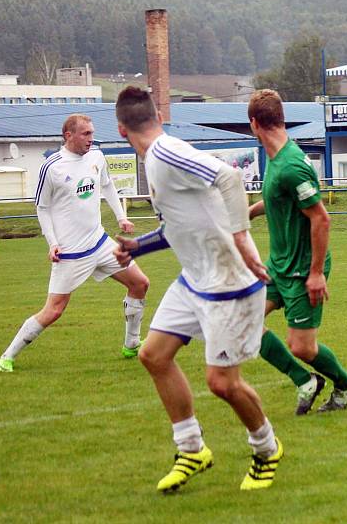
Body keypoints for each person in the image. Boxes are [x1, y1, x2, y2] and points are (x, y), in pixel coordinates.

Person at [113, 87, 282, 492]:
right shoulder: (160, 158)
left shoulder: (164, 152)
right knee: (153, 356)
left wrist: (241, 237)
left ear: (121, 130)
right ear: (157, 114)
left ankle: (266, 448)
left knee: (222, 383)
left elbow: (229, 176)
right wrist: (141, 245)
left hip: (230, 281)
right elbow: (180, 225)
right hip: (195, 278)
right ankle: (191, 449)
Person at [0, 114, 149, 373]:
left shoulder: (97, 157)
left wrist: (122, 218)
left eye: (92, 133)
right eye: (86, 134)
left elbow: (107, 186)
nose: (91, 139)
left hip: (99, 242)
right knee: (54, 310)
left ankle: (131, 344)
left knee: (140, 283)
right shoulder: (52, 166)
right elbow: (42, 207)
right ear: (69, 135)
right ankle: (6, 357)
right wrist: (52, 243)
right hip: (71, 254)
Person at [248, 89, 347, 413]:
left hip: (302, 270)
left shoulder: (291, 165)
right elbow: (281, 198)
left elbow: (321, 219)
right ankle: (305, 381)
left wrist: (315, 274)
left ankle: (346, 384)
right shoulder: (277, 159)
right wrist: (251, 212)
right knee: (243, 322)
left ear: (254, 124)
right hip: (278, 265)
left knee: (301, 346)